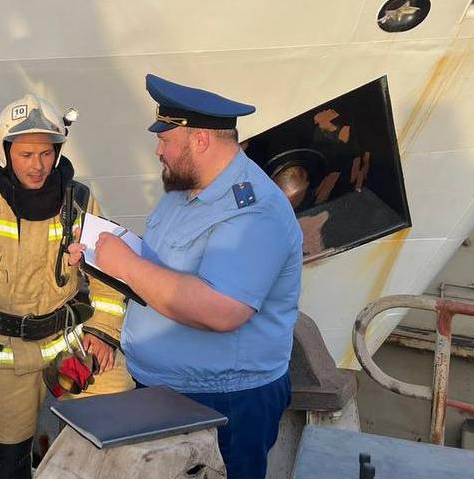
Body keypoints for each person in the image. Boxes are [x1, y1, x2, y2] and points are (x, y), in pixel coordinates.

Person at [68, 75, 303, 479]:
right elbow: (164, 266)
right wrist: (102, 253)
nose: (159, 151)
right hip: (165, 392)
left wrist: (126, 265)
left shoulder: (253, 212)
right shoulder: (184, 192)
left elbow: (222, 309)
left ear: (200, 140)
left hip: (223, 404)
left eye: (166, 140)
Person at [0, 93, 133, 479]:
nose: (38, 166)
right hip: (2, 357)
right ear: (5, 151)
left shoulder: (79, 200)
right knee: (4, 465)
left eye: (46, 154)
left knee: (119, 419)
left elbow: (108, 273)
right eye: (26, 154)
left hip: (69, 342)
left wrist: (104, 333)